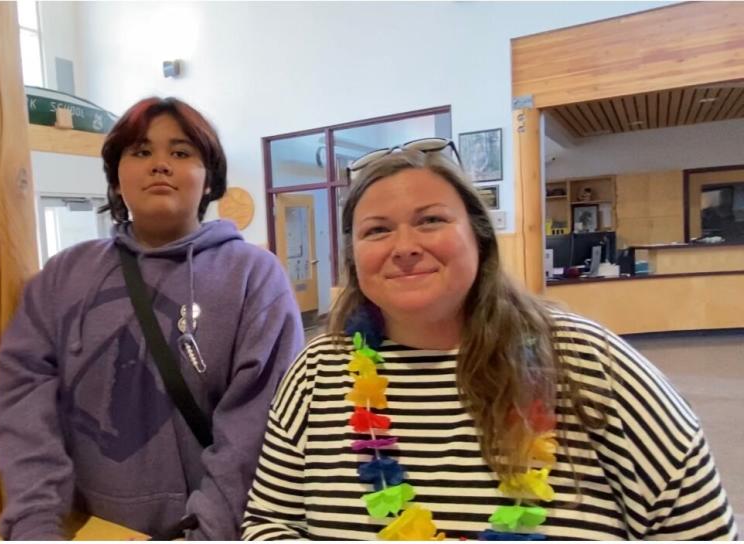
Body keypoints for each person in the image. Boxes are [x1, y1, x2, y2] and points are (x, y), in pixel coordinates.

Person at [241, 139, 739, 541]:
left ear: (478, 237)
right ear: (354, 256)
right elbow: (268, 525)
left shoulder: (592, 362)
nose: (405, 248)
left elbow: (702, 531)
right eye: (376, 230)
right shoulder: (316, 371)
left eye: (431, 220)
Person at [0, 97, 304, 540]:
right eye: (140, 152)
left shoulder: (253, 276)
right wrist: (36, 526)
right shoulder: (63, 275)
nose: (160, 164)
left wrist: (205, 532)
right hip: (87, 528)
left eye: (180, 152)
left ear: (209, 178)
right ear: (116, 178)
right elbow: (23, 403)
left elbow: (257, 429)